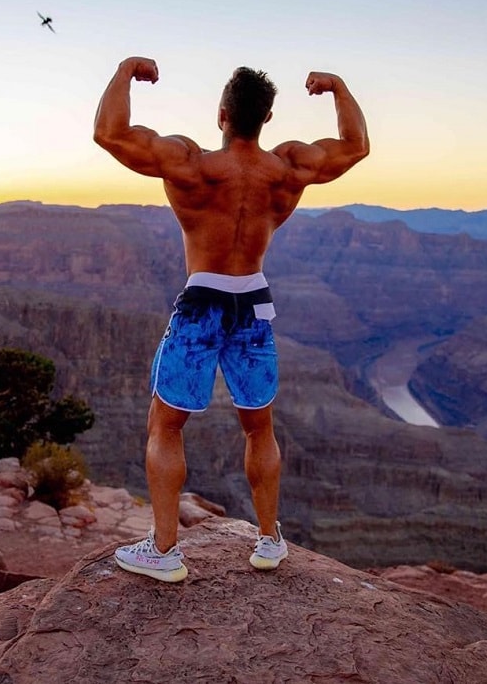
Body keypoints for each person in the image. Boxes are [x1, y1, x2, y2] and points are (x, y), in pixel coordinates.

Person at [93, 57, 370, 582]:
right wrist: (338, 87)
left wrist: (127, 70)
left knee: (166, 424)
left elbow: (110, 132)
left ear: (222, 114)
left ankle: (165, 550)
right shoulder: (287, 169)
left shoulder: (192, 165)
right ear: (266, 119)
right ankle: (269, 541)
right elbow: (356, 145)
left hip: (201, 304)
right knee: (258, 427)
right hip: (254, 303)